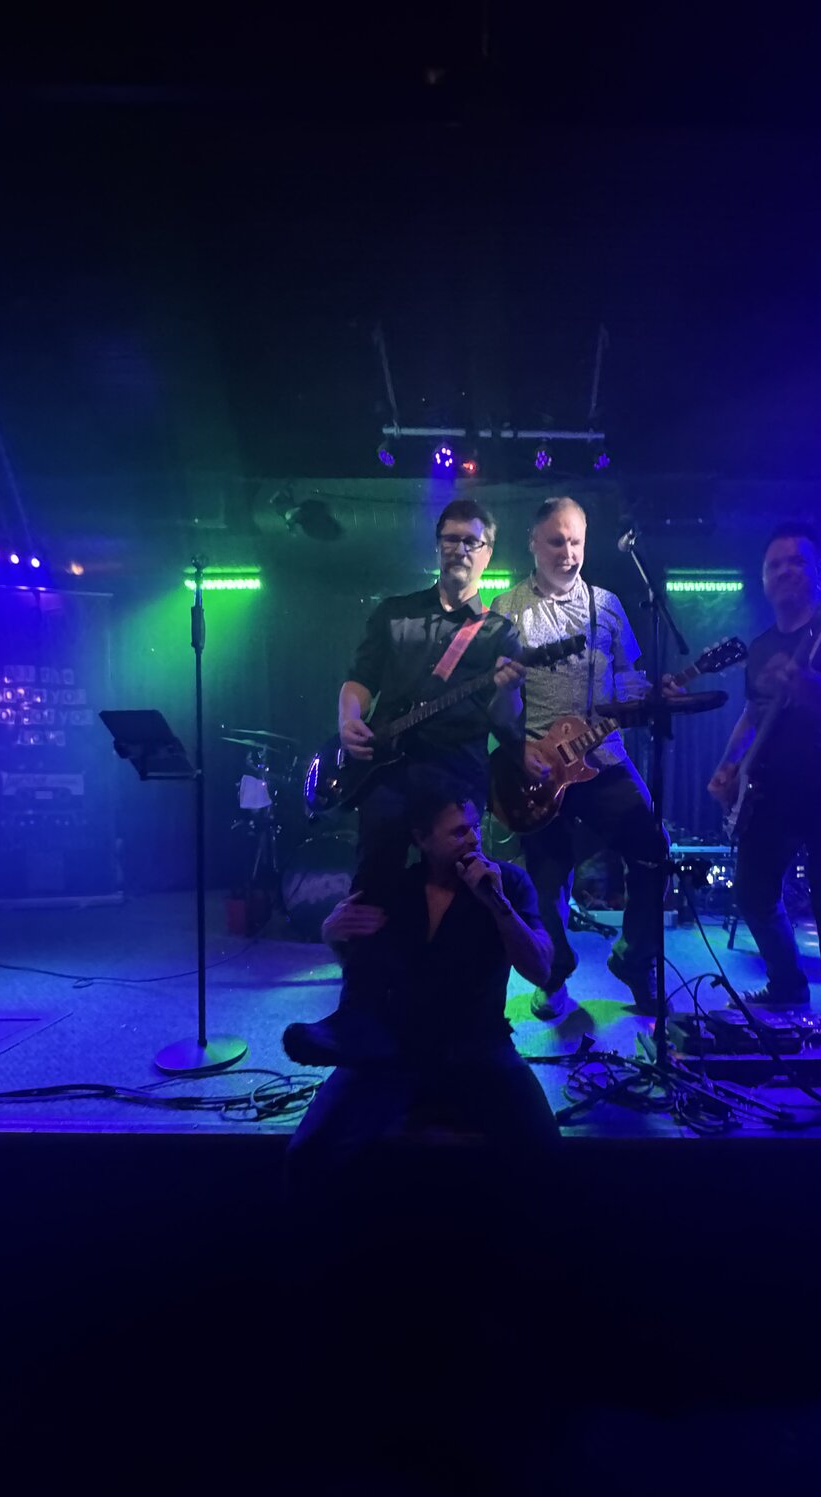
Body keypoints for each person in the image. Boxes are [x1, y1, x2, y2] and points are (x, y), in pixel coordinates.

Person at [284, 778, 560, 1181]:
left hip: (478, 1048)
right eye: (459, 832)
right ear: (422, 839)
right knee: (307, 1154)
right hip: (396, 1051)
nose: (474, 840)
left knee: (546, 1154)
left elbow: (540, 968)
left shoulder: (508, 883)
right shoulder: (397, 888)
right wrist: (333, 936)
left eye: (475, 828)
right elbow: (367, 975)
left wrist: (497, 905)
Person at [708, 524, 821, 1131]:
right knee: (753, 893)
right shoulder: (761, 648)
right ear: (763, 580)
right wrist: (730, 767)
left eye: (796, 562)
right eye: (775, 564)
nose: (786, 571)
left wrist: (820, 698)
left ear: (818, 572)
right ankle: (787, 983)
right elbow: (754, 717)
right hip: (776, 791)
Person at [490, 496, 668, 1019]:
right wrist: (518, 748)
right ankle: (555, 973)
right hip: (539, 767)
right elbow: (496, 697)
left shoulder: (607, 605)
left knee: (655, 851)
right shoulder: (507, 608)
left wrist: (648, 692)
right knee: (546, 882)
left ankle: (635, 958)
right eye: (556, 541)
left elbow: (630, 675)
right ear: (532, 542)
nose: (567, 553)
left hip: (605, 758)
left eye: (575, 542)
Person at [336, 498, 540, 892]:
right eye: (451, 539)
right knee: (374, 883)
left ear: (487, 553)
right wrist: (348, 719)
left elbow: (505, 719)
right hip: (387, 775)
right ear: (437, 546)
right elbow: (359, 679)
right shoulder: (395, 613)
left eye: (471, 542)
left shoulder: (500, 633)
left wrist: (510, 688)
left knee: (458, 891)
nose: (460, 549)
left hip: (458, 777)